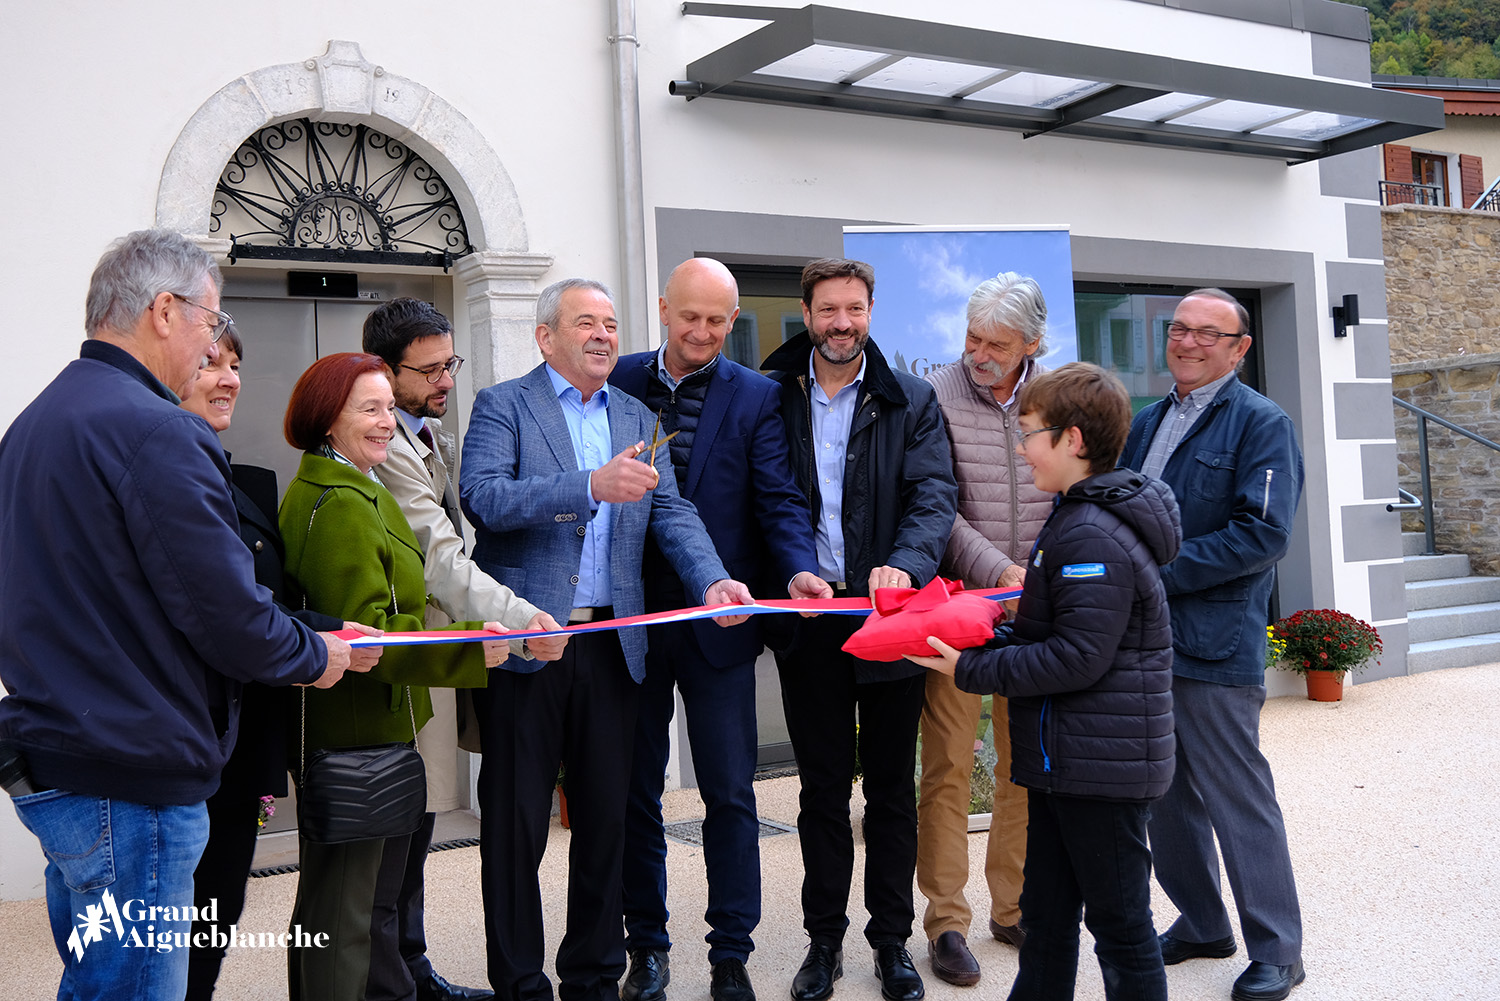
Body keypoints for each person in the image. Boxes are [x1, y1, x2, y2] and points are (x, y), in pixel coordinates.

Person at [0, 229, 368, 1001]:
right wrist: (314, 655)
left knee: (97, 981)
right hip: (132, 773)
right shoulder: (157, 428)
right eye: (209, 322)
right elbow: (227, 614)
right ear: (164, 310)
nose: (212, 348)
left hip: (59, 760)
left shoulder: (34, 423)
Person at [458, 278, 754, 1001]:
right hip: (532, 642)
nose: (601, 335)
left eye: (610, 324)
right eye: (584, 322)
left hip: (615, 646)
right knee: (517, 826)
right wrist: (588, 485)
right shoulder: (505, 405)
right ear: (544, 335)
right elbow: (485, 499)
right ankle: (520, 981)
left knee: (604, 823)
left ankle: (591, 975)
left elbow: (672, 513)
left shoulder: (636, 412)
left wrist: (712, 581)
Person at [908, 362, 1181, 1001]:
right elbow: (1047, 629)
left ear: (1073, 441)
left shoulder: (1091, 533)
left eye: (1030, 433)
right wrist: (977, 633)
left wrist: (970, 666)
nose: (1020, 446)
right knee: (1049, 918)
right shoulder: (1073, 516)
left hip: (1100, 769)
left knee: (1120, 928)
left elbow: (1076, 658)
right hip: (1065, 762)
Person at [611, 258, 830, 1001]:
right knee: (635, 792)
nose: (702, 332)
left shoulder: (760, 396)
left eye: (717, 321)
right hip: (631, 617)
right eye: (690, 317)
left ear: (732, 321)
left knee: (731, 795)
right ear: (664, 307)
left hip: (722, 618)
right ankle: (647, 945)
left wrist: (797, 568)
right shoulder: (616, 378)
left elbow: (778, 499)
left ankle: (730, 950)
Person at [278, 353, 516, 1001]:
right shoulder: (342, 503)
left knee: (362, 907)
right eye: (371, 408)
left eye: (390, 406)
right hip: (356, 732)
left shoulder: (358, 485)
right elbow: (369, 639)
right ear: (329, 419)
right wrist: (471, 651)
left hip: (378, 727)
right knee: (347, 915)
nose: (389, 422)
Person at [759, 258, 957, 1001]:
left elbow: (934, 494)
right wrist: (788, 570)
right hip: (810, 620)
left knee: (891, 794)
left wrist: (905, 563)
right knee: (819, 792)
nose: (842, 322)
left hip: (889, 619)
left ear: (872, 309)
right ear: (806, 313)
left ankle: (892, 944)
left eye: (855, 308)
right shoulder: (771, 395)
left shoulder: (910, 398)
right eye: (828, 310)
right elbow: (762, 495)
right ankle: (823, 942)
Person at [363, 297, 569, 1001]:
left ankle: (412, 970)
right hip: (406, 664)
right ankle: (401, 977)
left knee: (416, 827)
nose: (446, 379)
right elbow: (441, 561)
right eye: (429, 370)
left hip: (436, 660)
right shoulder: (389, 442)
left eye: (449, 363)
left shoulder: (426, 434)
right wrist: (522, 618)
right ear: (386, 374)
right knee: (399, 835)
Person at [181, 327, 379, 1001]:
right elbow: (222, 613)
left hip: (245, 744)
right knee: (170, 937)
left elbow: (270, 603)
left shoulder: (250, 483)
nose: (229, 377)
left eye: (237, 363)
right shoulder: (163, 477)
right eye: (210, 362)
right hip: (186, 740)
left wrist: (329, 630)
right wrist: (322, 642)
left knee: (214, 919)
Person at [1119, 289, 1307, 1001]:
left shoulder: (1263, 423)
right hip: (1144, 639)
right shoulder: (1150, 420)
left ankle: (1279, 948)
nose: (1188, 342)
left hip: (1213, 642)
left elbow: (1263, 534)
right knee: (1162, 793)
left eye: (1207, 332)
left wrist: (1152, 574)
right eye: (1179, 329)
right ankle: (1202, 921)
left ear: (1239, 348)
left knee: (1237, 795)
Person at [918, 273, 1052, 986]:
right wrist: (1001, 570)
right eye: (972, 337)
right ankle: (946, 921)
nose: (979, 352)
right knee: (944, 767)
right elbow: (935, 506)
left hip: (1037, 614)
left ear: (1032, 343)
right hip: (960, 610)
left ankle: (1013, 905)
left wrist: (1045, 574)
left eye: (996, 343)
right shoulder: (934, 394)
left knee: (1023, 766)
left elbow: (1073, 491)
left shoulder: (1056, 396)